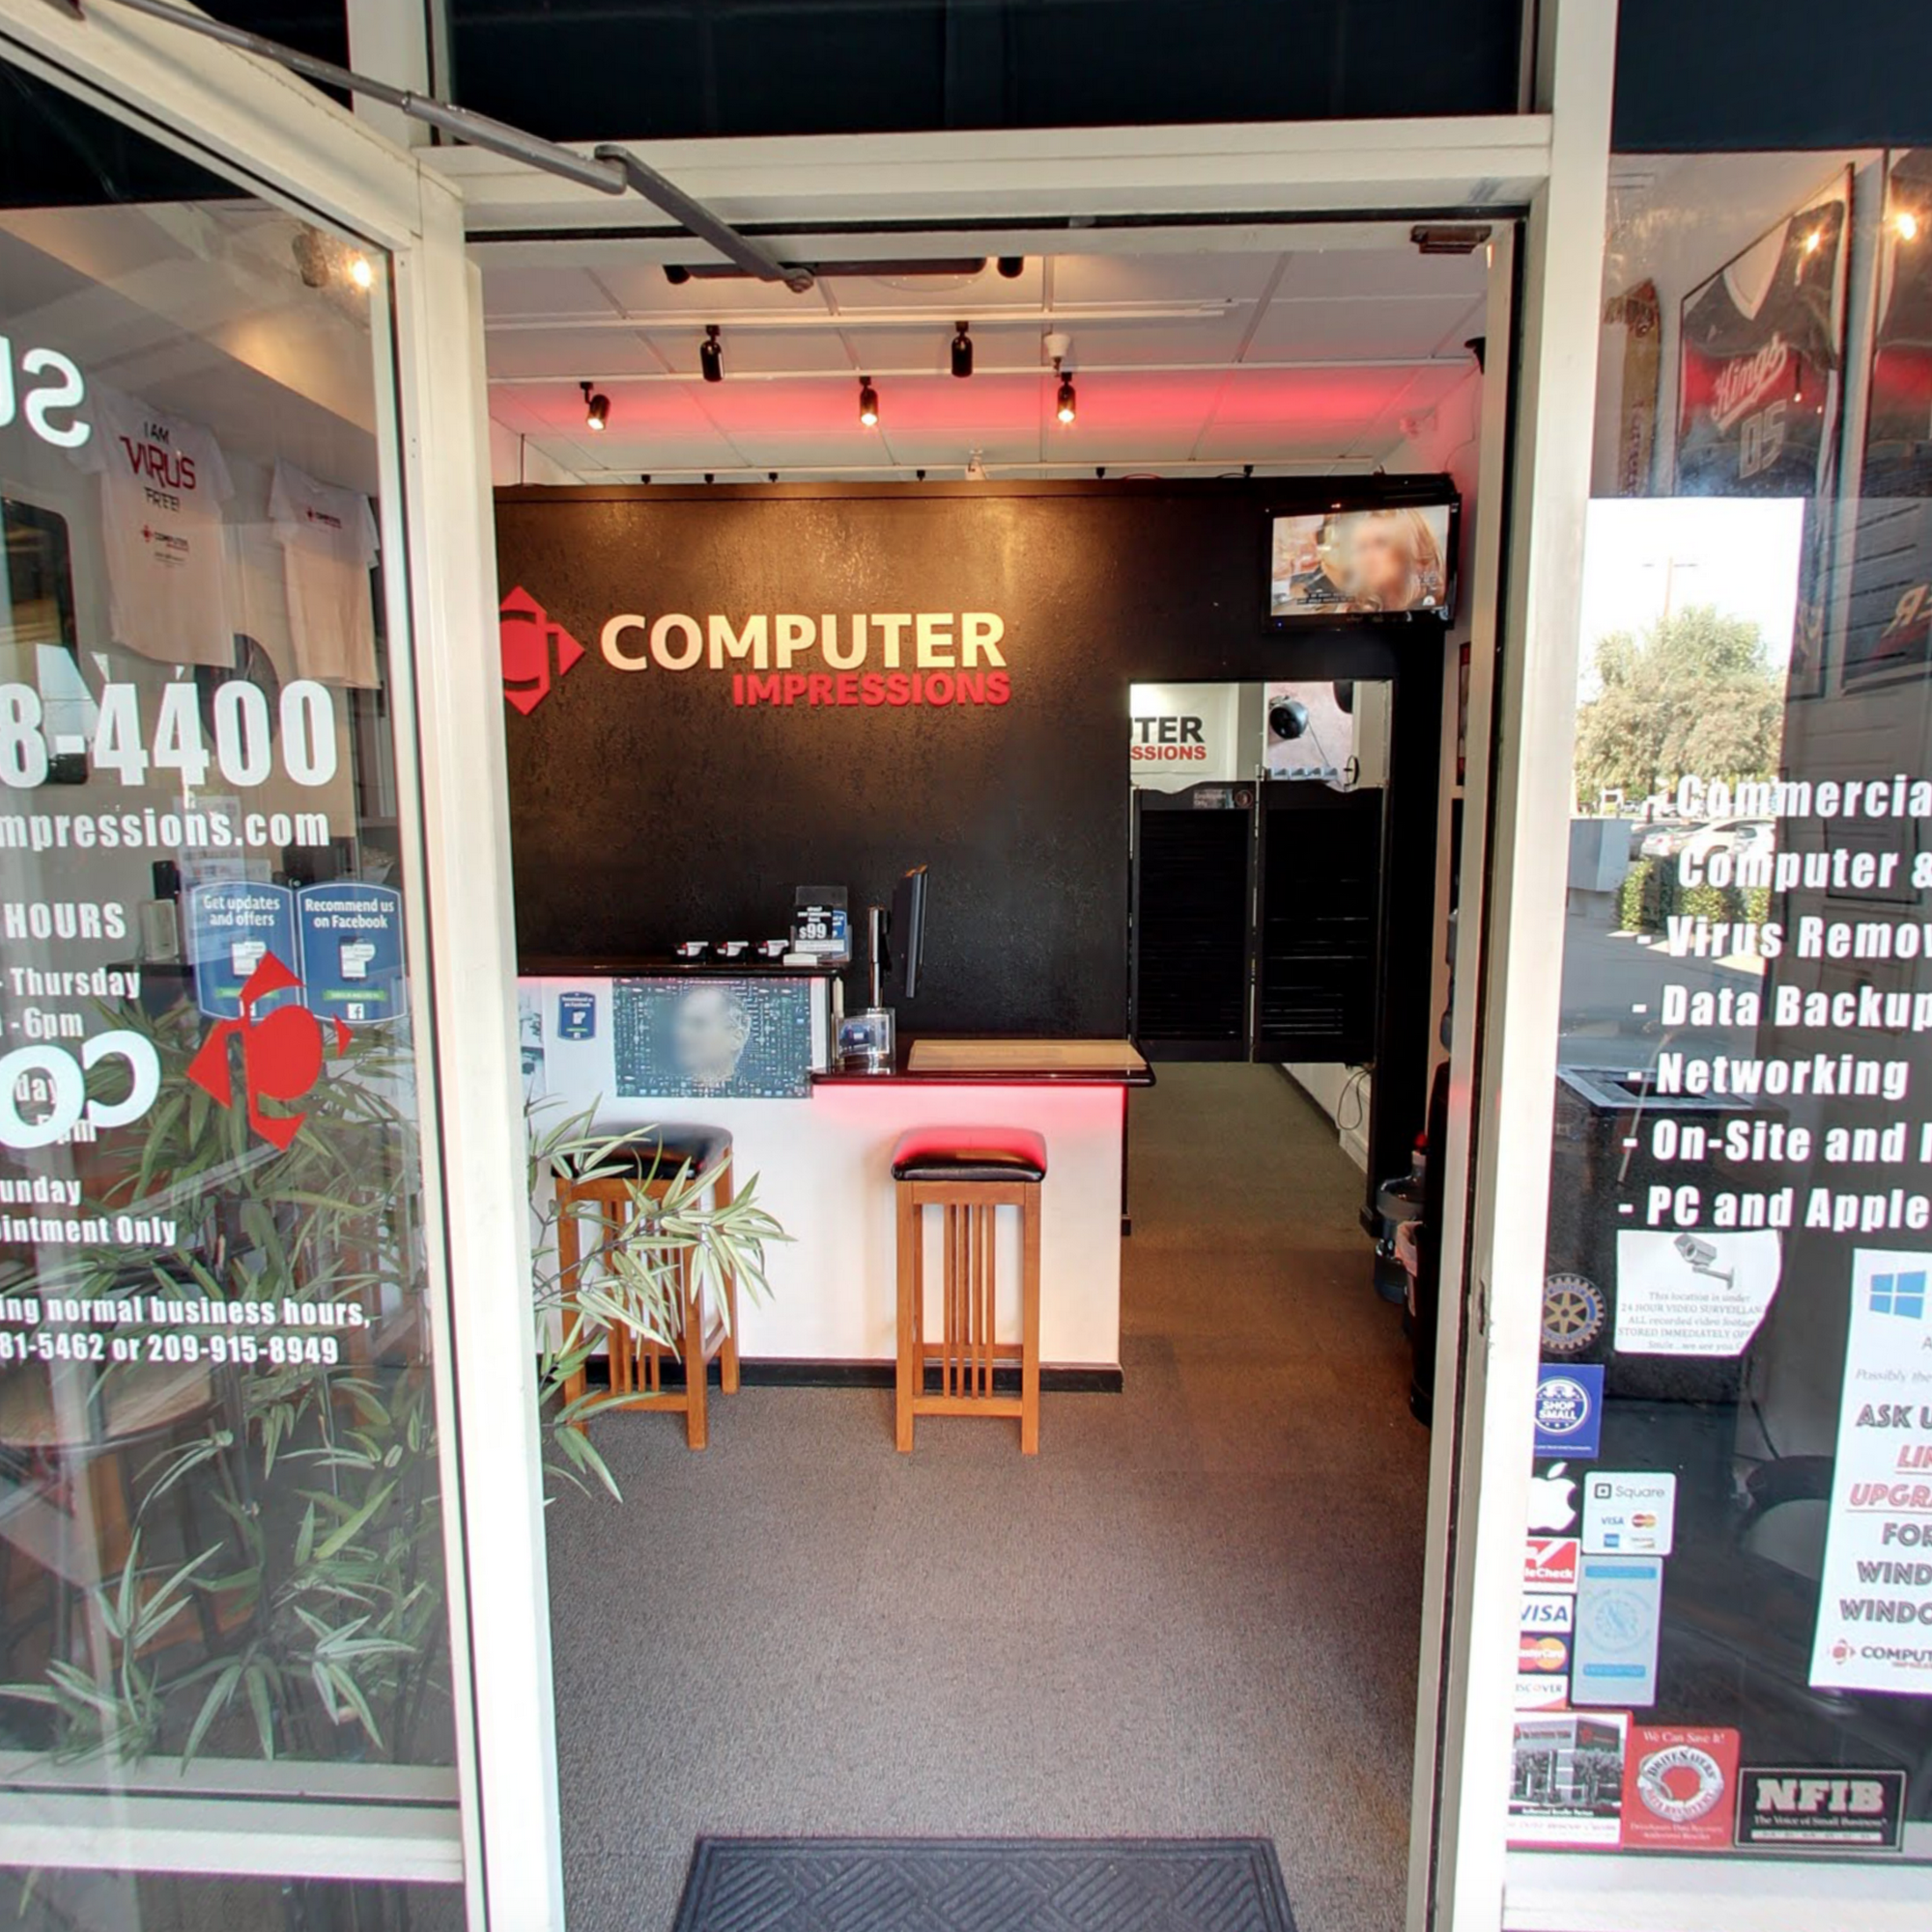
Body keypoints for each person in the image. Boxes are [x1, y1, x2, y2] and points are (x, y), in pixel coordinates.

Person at [1337, 506, 1447, 612]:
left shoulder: (1439, 604)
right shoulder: (1353, 609)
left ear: (1412, 548)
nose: (1367, 558)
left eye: (1380, 543)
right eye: (1362, 547)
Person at [668, 984, 753, 1091]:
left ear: (736, 1038)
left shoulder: (756, 1095)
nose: (683, 1034)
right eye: (682, 1024)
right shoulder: (665, 1093)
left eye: (698, 1024)